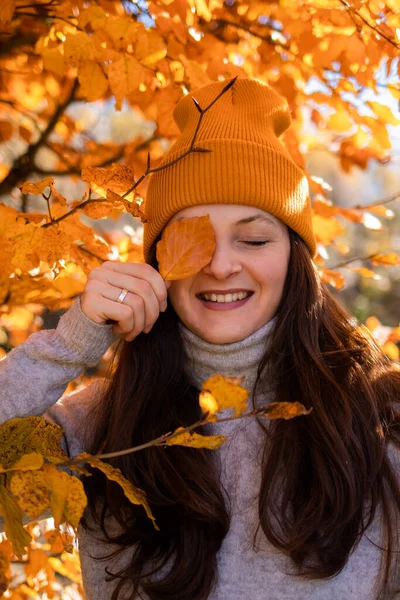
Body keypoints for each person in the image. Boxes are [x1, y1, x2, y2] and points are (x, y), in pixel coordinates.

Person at [0, 76, 399, 600]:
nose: (221, 265)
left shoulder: (378, 417)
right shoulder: (98, 424)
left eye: (254, 238)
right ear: (158, 261)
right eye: (195, 239)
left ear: (295, 259)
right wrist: (69, 345)